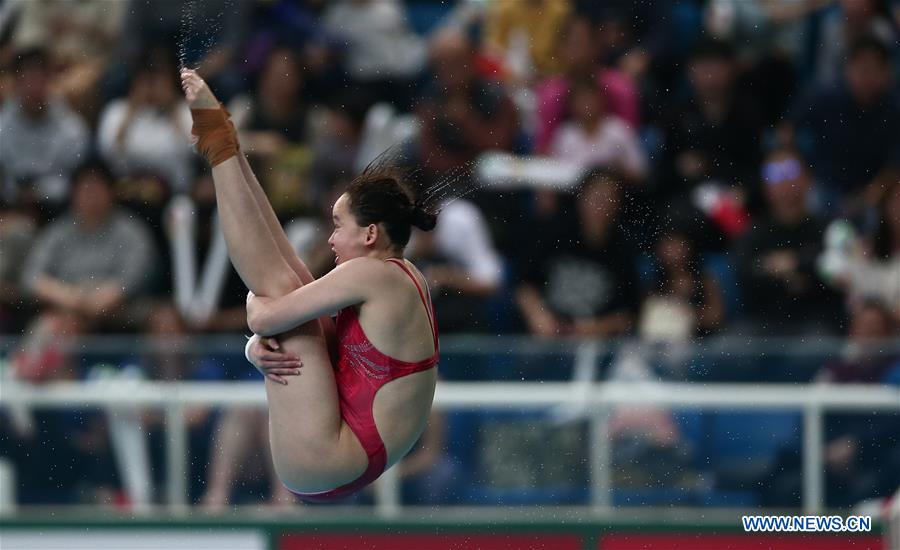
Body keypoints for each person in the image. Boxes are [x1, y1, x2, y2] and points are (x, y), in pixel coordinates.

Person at [180, 69, 440, 501]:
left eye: (338, 225)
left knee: (285, 288)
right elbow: (298, 323)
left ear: (370, 234)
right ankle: (228, 146)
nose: (331, 239)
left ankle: (220, 147)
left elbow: (266, 315)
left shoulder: (373, 273)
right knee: (297, 281)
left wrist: (257, 320)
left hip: (328, 458)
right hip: (345, 455)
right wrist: (257, 343)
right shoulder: (402, 278)